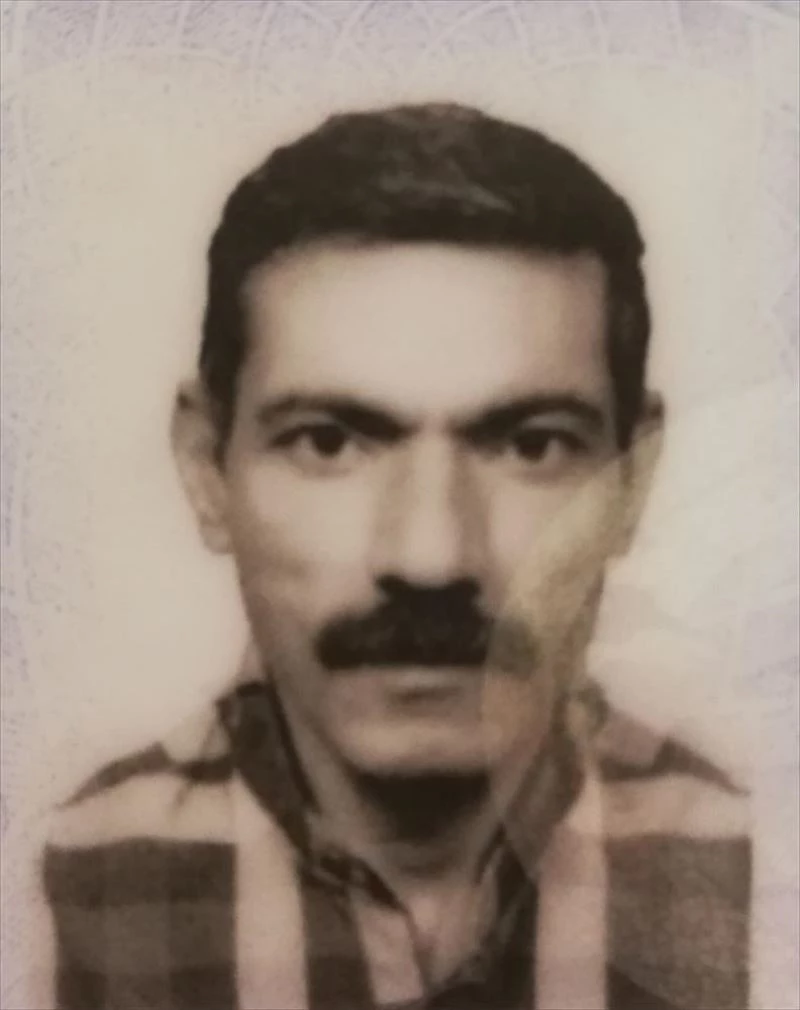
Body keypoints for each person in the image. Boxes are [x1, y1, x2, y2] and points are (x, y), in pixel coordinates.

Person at [40, 103, 750, 1010]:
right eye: (330, 441)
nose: (430, 556)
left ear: (633, 478)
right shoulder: (41, 896)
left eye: (531, 445)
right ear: (206, 469)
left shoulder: (765, 885)